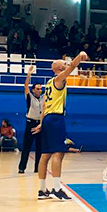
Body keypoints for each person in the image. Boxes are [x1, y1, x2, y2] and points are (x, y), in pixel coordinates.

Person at [34, 50, 88, 200]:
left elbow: (44, 106)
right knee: (59, 153)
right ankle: (57, 189)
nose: (66, 65)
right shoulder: (58, 79)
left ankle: (41, 190)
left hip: (47, 120)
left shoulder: (49, 83)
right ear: (58, 68)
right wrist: (80, 56)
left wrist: (41, 123)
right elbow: (72, 67)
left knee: (45, 155)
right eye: (63, 63)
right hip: (56, 119)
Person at [18, 66, 43, 173]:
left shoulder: (44, 98)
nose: (39, 90)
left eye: (40, 88)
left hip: (40, 124)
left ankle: (37, 168)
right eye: (37, 88)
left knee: (40, 148)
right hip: (30, 123)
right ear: (33, 90)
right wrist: (29, 74)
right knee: (26, 147)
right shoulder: (30, 97)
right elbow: (25, 86)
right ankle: (21, 168)